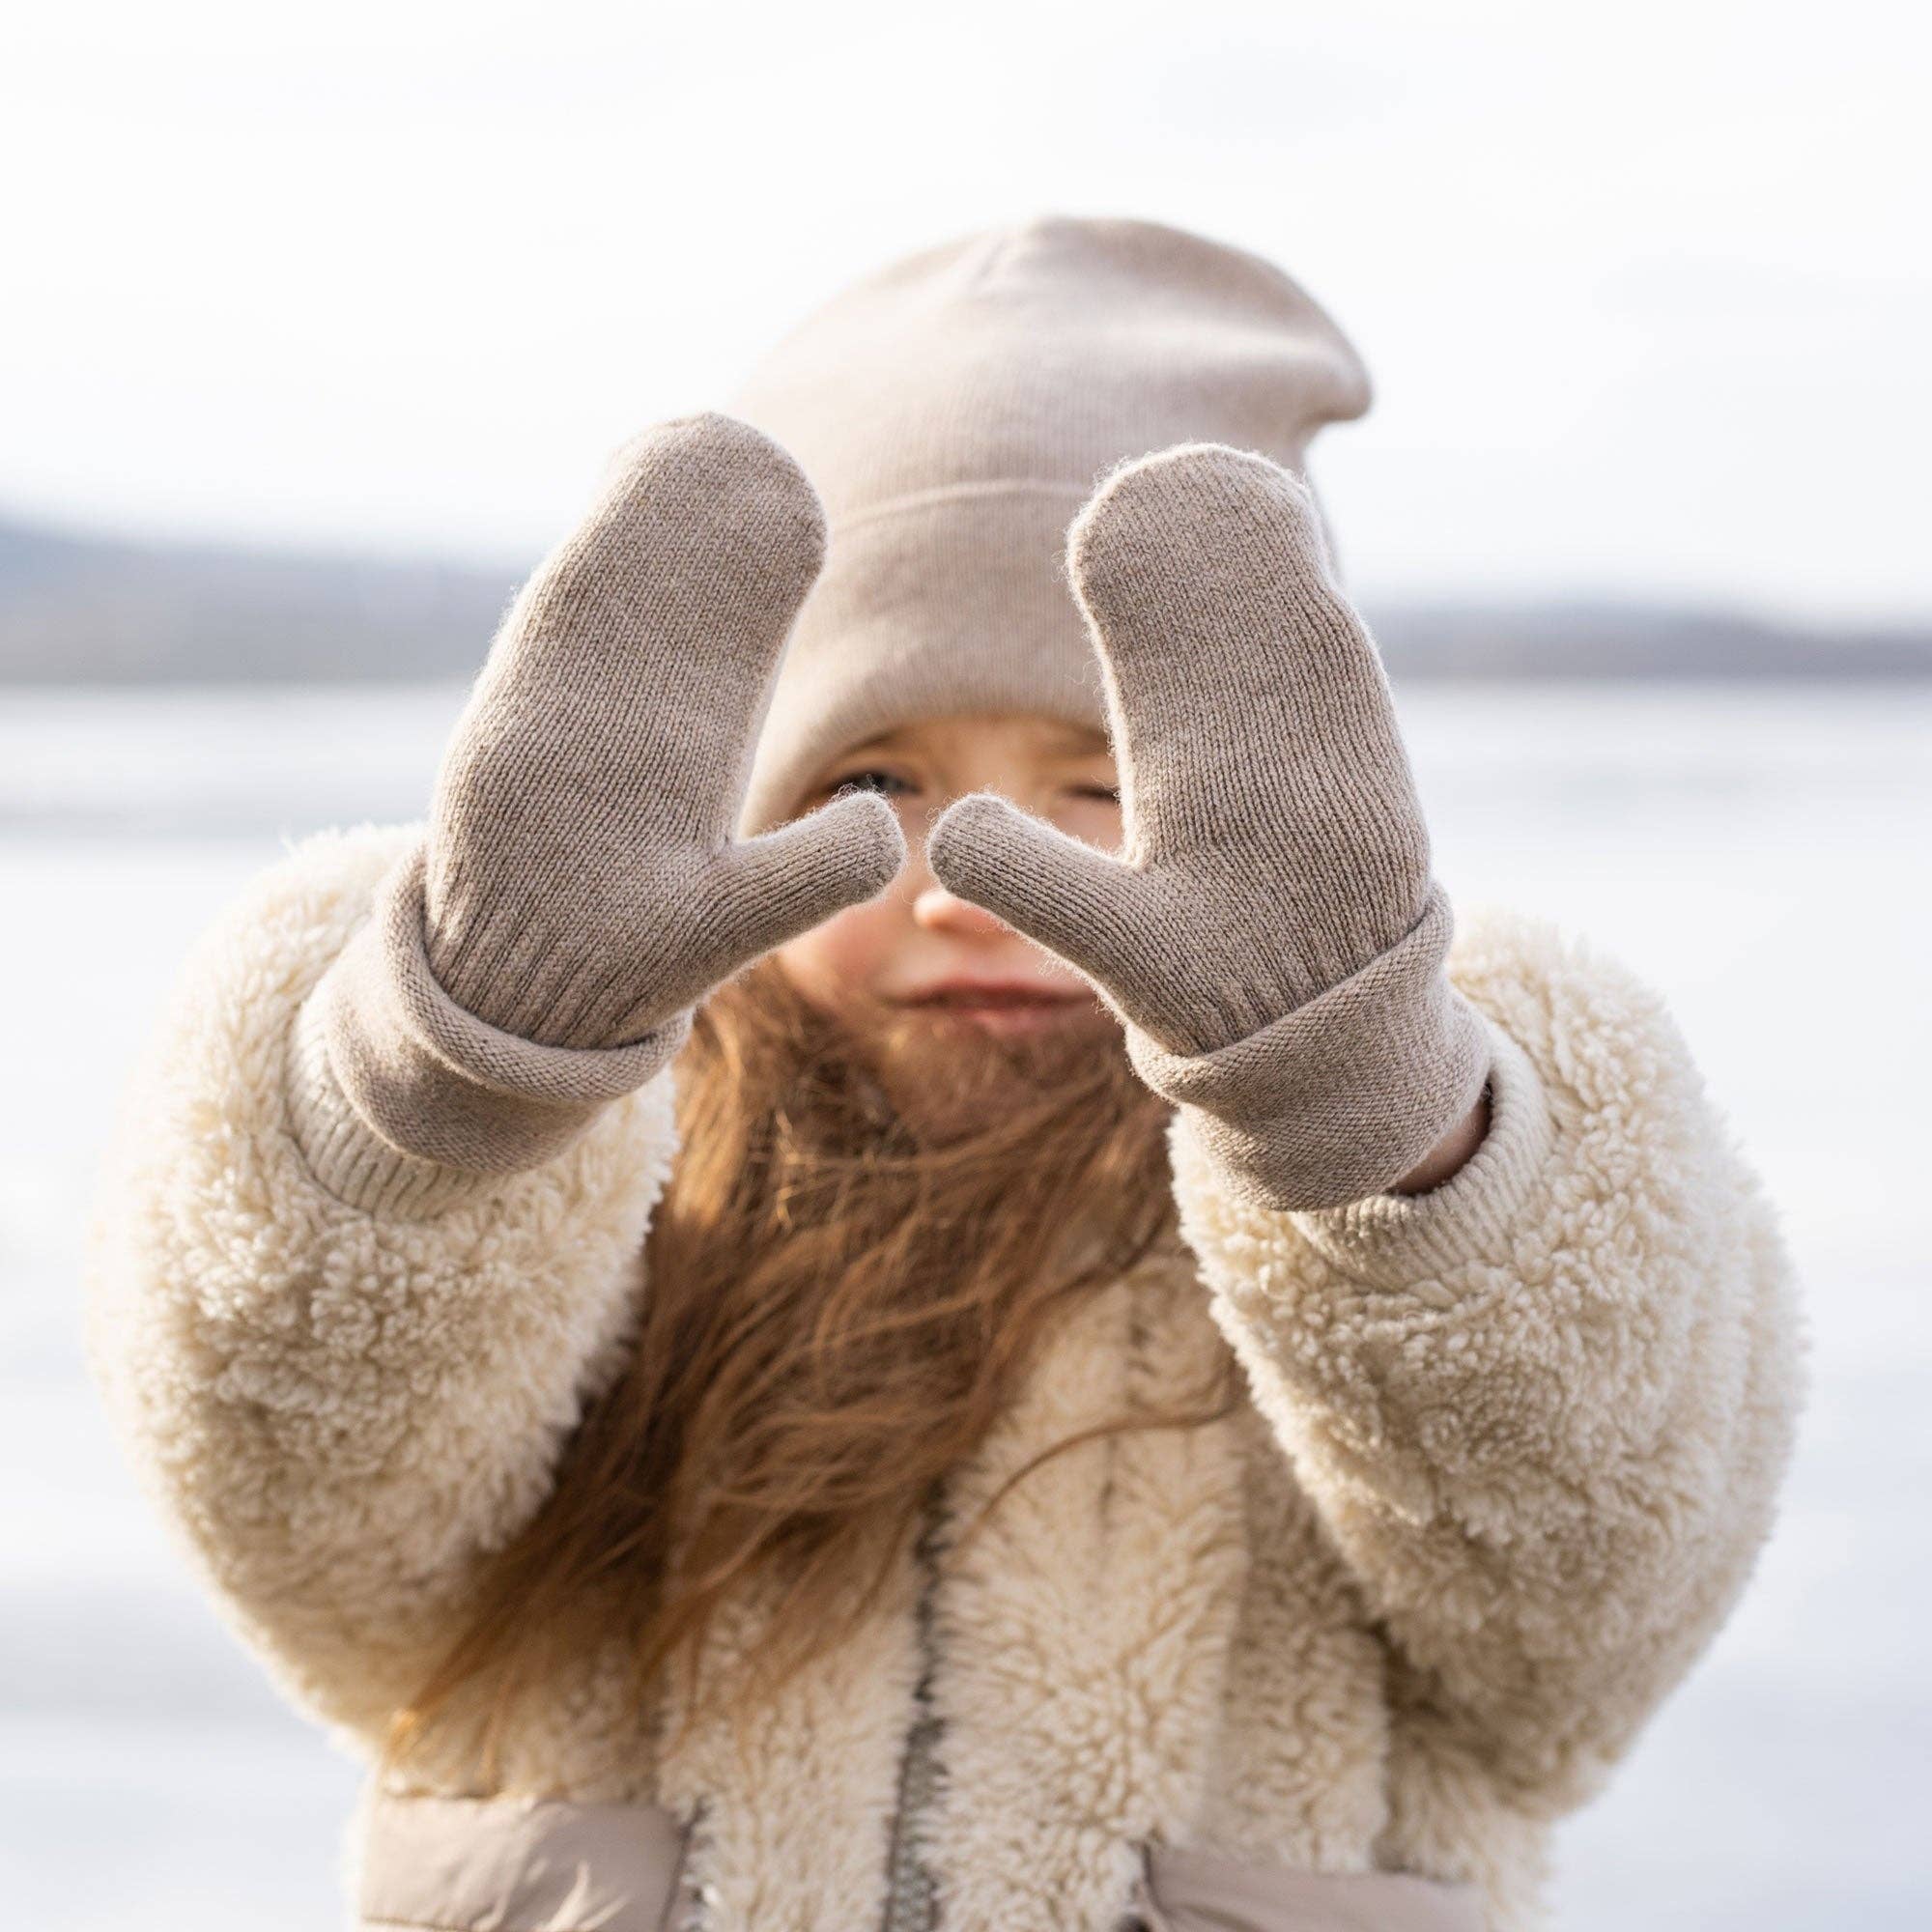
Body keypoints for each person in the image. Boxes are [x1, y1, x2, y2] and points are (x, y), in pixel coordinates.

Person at [85, 216, 1803, 1932]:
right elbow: (301, 1498)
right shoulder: (608, 1198)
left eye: (1099, 783)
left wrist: (1397, 1147)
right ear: (736, 802)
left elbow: (1593, 1599)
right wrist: (440, 1098)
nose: (969, 882)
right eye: (882, 772)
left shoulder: (1372, 1235)